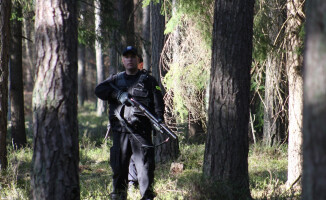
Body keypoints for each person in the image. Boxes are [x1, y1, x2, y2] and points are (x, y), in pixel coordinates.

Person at [95, 46, 164, 200]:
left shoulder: (149, 80)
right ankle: (119, 197)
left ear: (139, 60)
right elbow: (99, 90)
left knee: (145, 170)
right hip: (120, 133)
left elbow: (158, 101)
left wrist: (160, 118)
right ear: (122, 60)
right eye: (126, 57)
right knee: (119, 170)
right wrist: (116, 94)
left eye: (133, 56)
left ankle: (147, 197)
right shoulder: (115, 79)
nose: (130, 59)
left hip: (142, 132)